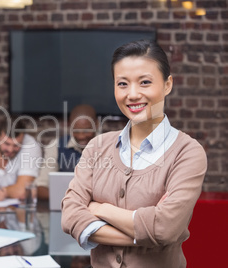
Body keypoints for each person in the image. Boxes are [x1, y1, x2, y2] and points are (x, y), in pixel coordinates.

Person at [61, 40, 207, 267]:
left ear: (167, 84)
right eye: (122, 84)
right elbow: (70, 215)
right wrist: (147, 234)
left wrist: (99, 209)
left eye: (145, 82)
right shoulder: (97, 147)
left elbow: (164, 228)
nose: (132, 94)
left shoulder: (187, 153)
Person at [36, 104, 97, 200]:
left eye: (86, 130)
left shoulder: (108, 145)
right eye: (76, 130)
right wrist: (70, 200)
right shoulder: (56, 145)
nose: (81, 136)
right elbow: (41, 187)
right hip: (66, 208)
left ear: (96, 124)